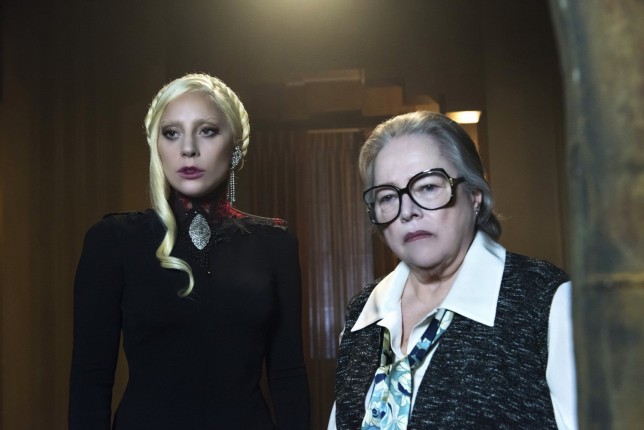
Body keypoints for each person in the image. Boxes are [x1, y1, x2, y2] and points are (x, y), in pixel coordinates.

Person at [69, 73, 310, 429]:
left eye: (207, 131)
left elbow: (288, 373)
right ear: (156, 146)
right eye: (171, 133)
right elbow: (90, 380)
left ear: (236, 146)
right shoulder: (113, 241)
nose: (188, 149)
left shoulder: (275, 243)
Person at [328, 111, 576, 429]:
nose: (408, 211)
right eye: (388, 196)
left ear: (474, 195)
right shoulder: (363, 312)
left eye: (428, 187)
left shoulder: (547, 301)